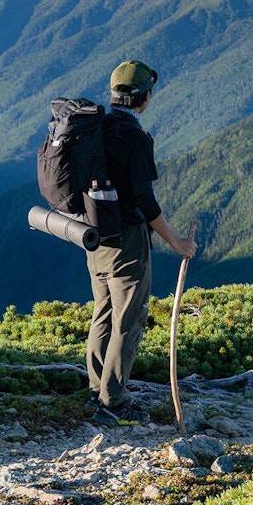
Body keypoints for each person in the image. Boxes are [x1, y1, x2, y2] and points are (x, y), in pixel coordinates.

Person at [86, 59, 197, 427]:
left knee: (104, 310)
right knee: (130, 320)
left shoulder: (94, 127)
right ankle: (113, 403)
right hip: (127, 242)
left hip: (94, 235)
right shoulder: (135, 137)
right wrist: (176, 241)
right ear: (144, 97)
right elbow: (145, 201)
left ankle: (97, 389)